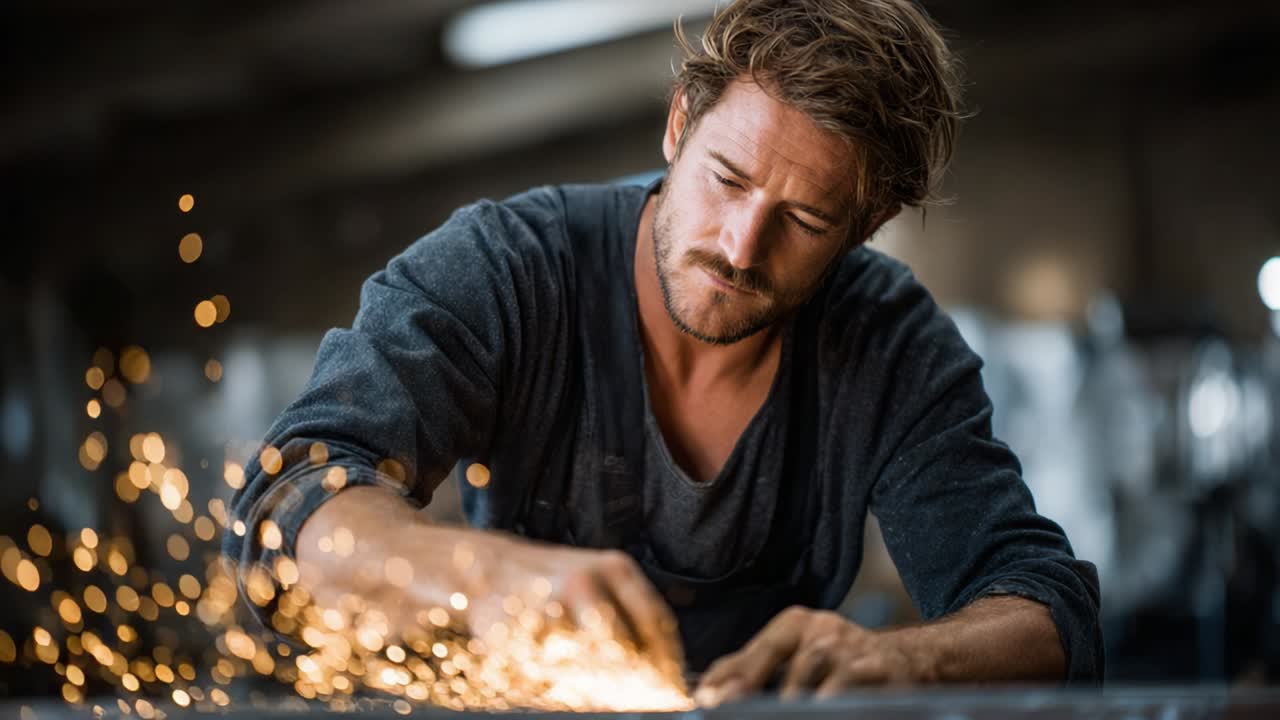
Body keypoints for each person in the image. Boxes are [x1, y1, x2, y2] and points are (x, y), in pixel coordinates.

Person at [225, 0, 1103, 703]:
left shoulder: (889, 346)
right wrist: (483, 578)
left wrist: (909, 664)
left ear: (867, 226)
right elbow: (292, 498)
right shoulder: (506, 269)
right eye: (727, 179)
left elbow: (1046, 610)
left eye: (803, 221)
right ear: (681, 123)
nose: (739, 246)